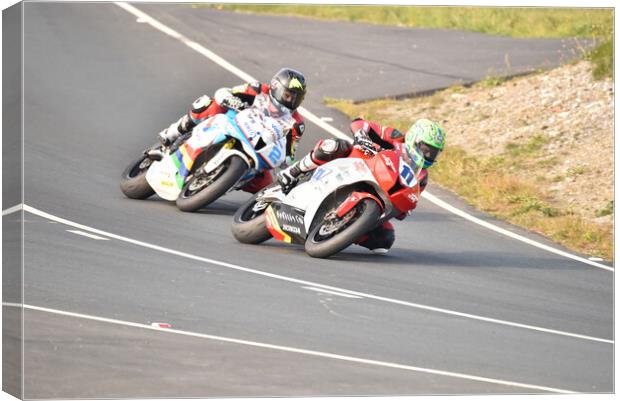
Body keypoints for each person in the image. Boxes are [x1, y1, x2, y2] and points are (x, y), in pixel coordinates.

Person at [277, 118, 446, 253]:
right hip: (356, 164)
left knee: (385, 239)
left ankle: (342, 231)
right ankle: (294, 171)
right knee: (337, 145)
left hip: (379, 194)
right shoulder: (395, 137)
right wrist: (361, 136)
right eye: (426, 148)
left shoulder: (421, 177)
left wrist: (405, 207)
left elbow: (404, 206)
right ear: (414, 138)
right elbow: (359, 123)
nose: (428, 154)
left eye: (433, 152)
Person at [157, 68, 307, 193]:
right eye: (287, 95)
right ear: (275, 86)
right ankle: (172, 133)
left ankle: (231, 184)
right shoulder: (258, 89)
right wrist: (232, 100)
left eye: (295, 99)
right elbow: (225, 92)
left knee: (267, 186)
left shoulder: (297, 123)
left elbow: (290, 154)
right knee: (209, 104)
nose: (290, 101)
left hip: (258, 147)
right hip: (233, 123)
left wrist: (285, 160)